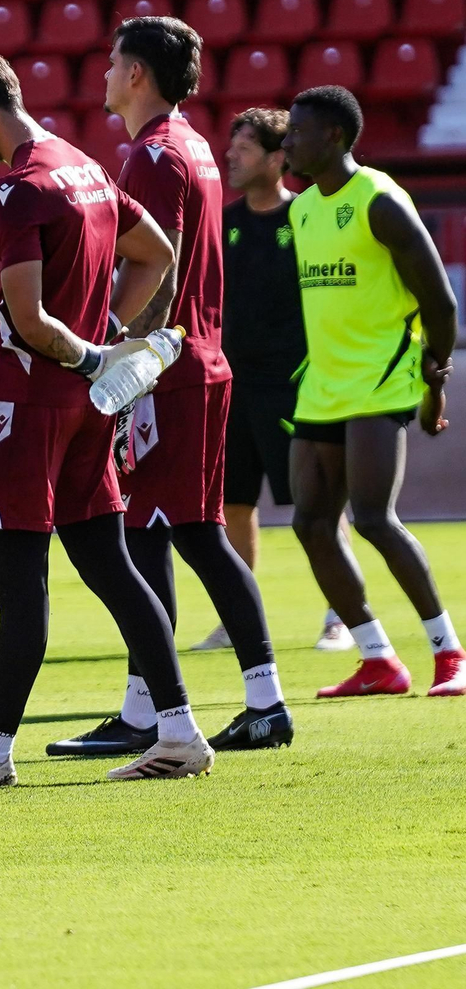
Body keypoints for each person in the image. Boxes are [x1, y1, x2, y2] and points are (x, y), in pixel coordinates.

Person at [0, 51, 213, 791]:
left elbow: (30, 319)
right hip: (84, 408)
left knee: (18, 578)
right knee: (111, 566)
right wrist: (105, 334)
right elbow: (158, 253)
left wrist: (87, 354)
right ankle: (180, 731)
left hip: (31, 399)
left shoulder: (19, 186)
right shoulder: (85, 165)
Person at [51, 17, 294, 757]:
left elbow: (156, 267)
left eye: (111, 61)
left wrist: (103, 346)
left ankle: (249, 702)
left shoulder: (153, 155)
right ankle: (171, 705)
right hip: (195, 361)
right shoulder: (190, 148)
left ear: (136, 75)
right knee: (165, 531)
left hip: (166, 369)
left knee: (181, 534)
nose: (101, 74)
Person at [280, 85, 464, 698]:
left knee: (373, 519)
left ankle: (449, 653)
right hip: (322, 386)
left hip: (381, 380)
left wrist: (434, 381)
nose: (289, 142)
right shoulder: (302, 210)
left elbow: (440, 303)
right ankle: (378, 659)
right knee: (310, 522)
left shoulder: (380, 201)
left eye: (298, 131)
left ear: (334, 136)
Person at [199, 108, 352, 653]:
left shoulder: (306, 218)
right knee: (233, 506)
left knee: (317, 505)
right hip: (233, 387)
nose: (231, 157)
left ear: (277, 156)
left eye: (243, 149)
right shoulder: (225, 223)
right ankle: (239, 620)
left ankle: (342, 615)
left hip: (294, 385)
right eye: (231, 147)